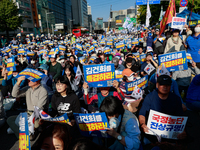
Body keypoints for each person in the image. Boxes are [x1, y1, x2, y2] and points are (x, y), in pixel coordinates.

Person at [139, 75, 185, 144]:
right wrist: (143, 124)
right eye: (162, 85)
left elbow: (180, 117)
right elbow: (142, 114)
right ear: (157, 85)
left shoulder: (176, 99)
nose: (165, 87)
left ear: (170, 86)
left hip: (170, 134)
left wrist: (183, 131)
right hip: (152, 134)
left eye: (167, 85)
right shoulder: (149, 97)